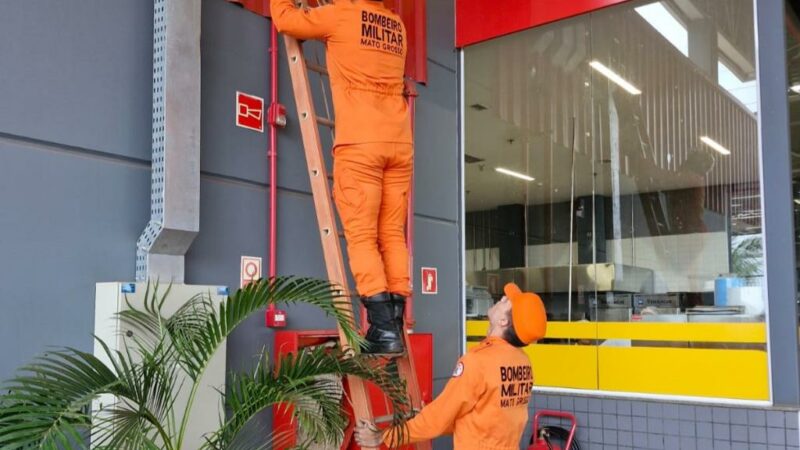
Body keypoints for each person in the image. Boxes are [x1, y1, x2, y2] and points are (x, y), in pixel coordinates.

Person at [270, 0, 413, 354]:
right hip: (399, 142)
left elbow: (287, 20)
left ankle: (383, 329)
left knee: (362, 237)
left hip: (361, 142)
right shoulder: (397, 26)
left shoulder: (341, 14)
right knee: (392, 234)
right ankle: (393, 325)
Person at [354, 283, 548, 449]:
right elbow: (475, 416)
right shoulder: (522, 362)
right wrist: (427, 417)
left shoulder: (478, 362)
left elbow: (439, 419)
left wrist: (383, 437)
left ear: (503, 321)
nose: (503, 297)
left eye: (507, 301)